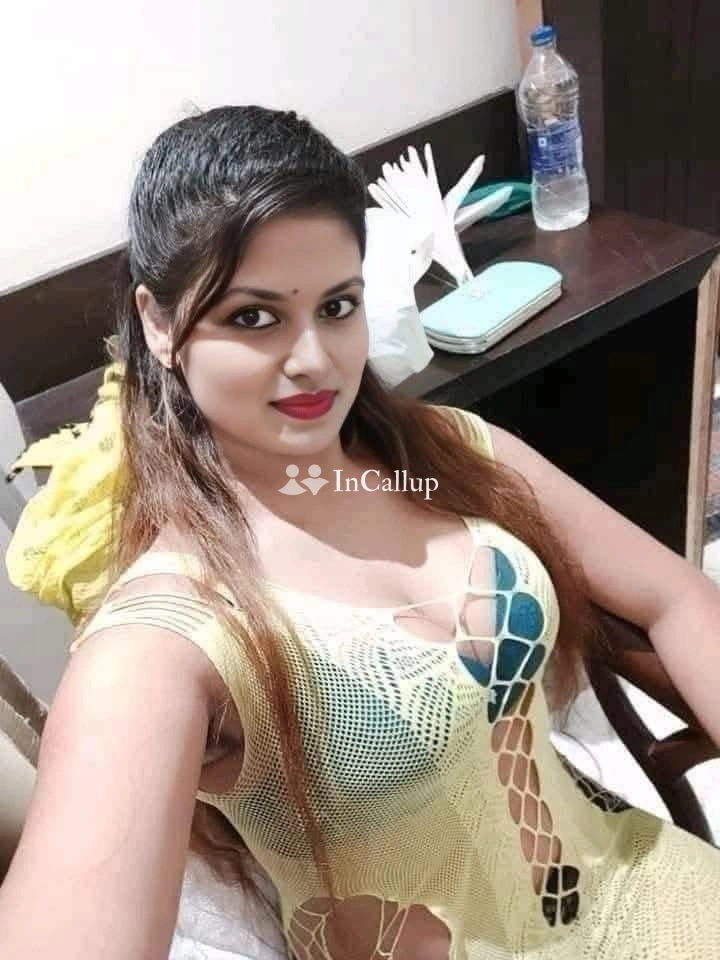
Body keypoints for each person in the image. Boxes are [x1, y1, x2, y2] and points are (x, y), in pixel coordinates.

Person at [1, 104, 720, 960]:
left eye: (337, 305)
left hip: (647, 886)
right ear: (158, 323)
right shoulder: (164, 638)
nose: (314, 359)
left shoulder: (449, 450)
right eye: (254, 317)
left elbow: (674, 595)